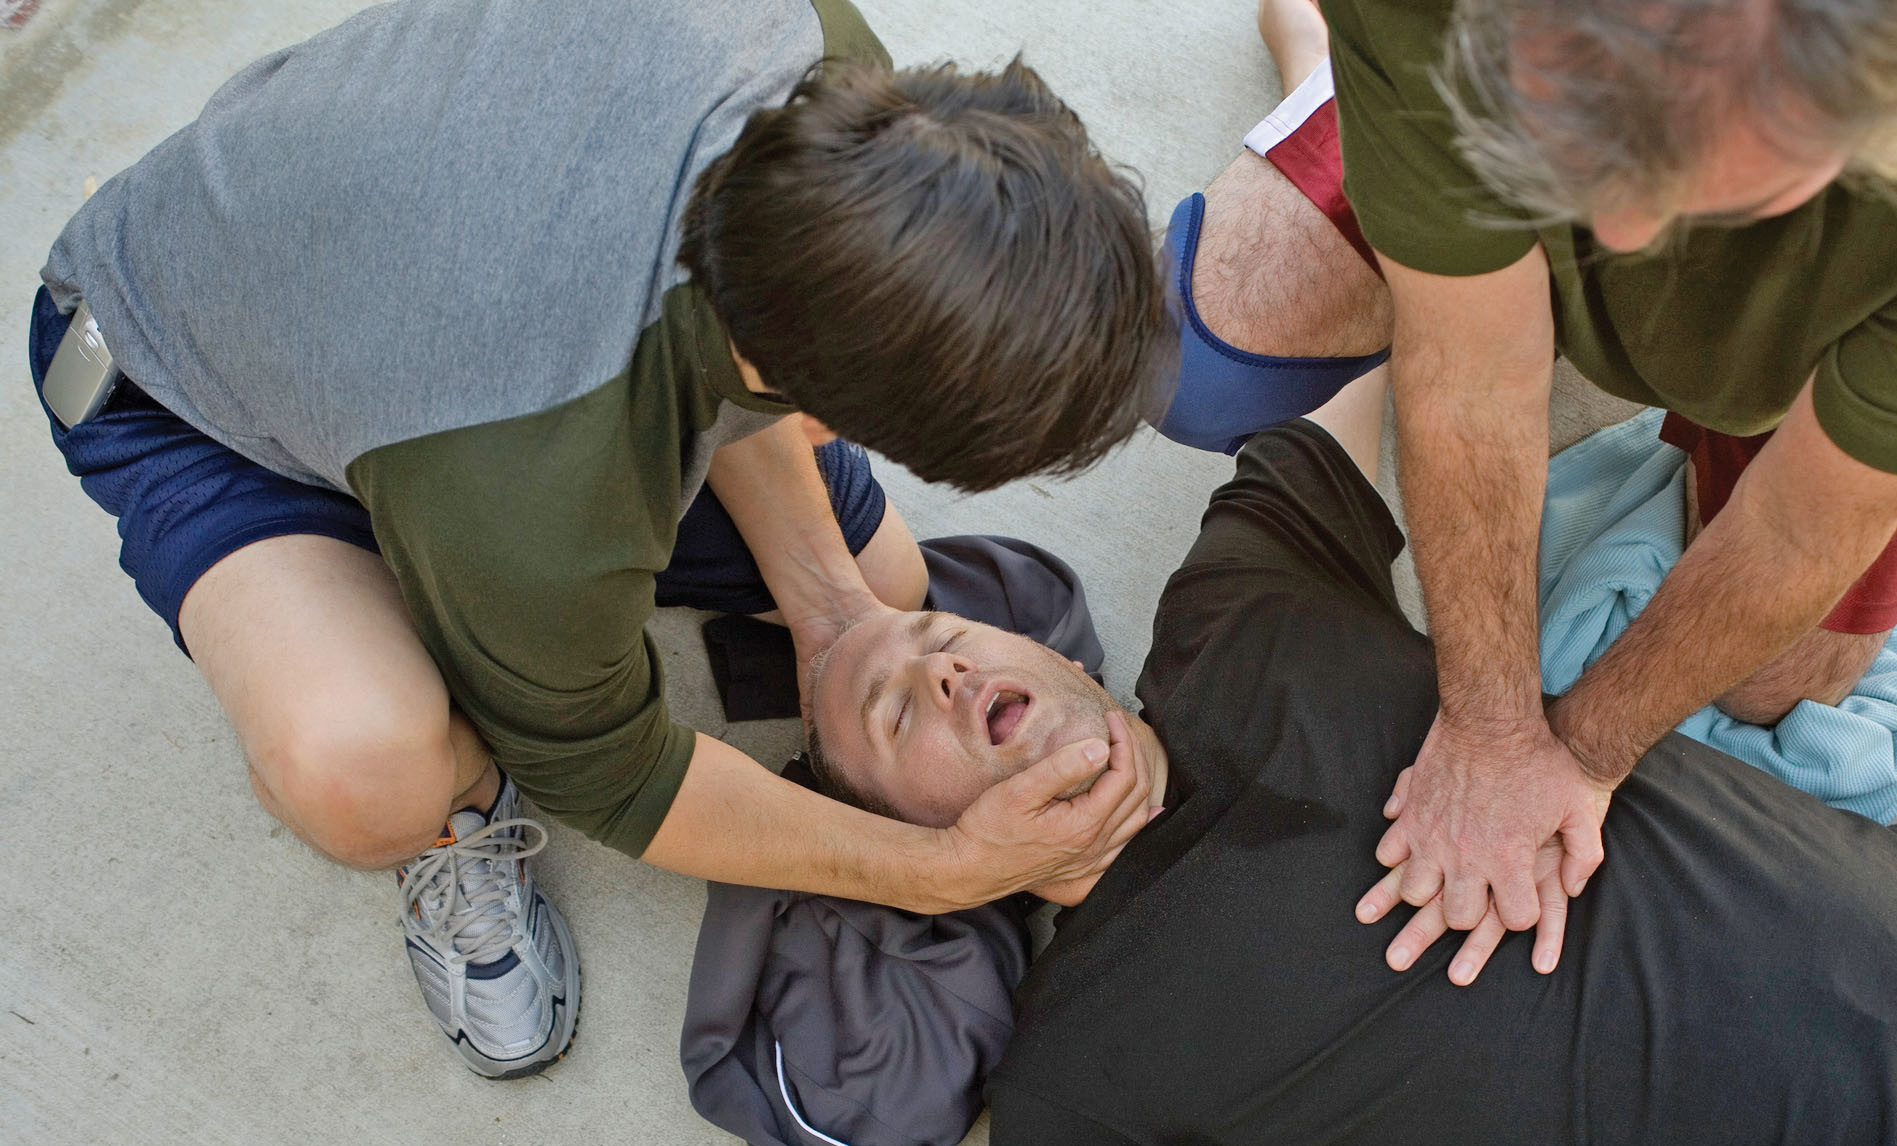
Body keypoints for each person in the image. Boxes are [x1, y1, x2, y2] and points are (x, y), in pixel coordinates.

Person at [804, 369, 1897, 1146]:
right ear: (918, 849)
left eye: (938, 632)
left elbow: (1357, 326)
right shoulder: (1077, 1080)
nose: (937, 670)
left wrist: (1320, 72)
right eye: (890, 714)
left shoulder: (1229, 607)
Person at [29, 0, 1165, 1079]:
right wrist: (936, 869)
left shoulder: (822, 62)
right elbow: (609, 774)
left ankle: (515, 601)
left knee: (882, 575)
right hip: (178, 374)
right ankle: (453, 778)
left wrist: (840, 620)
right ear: (816, 411)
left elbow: (712, 316)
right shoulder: (530, 489)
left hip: (407, 317)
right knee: (365, 771)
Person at [1155, 0, 1897, 983]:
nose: (1618, 233)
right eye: (1574, 130)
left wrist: (1583, 752)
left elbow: (1795, 529)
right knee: (1204, 362)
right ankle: (1332, 69)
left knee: (1772, 686)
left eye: (1700, 180)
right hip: (1459, 69)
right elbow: (1478, 372)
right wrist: (1490, 725)